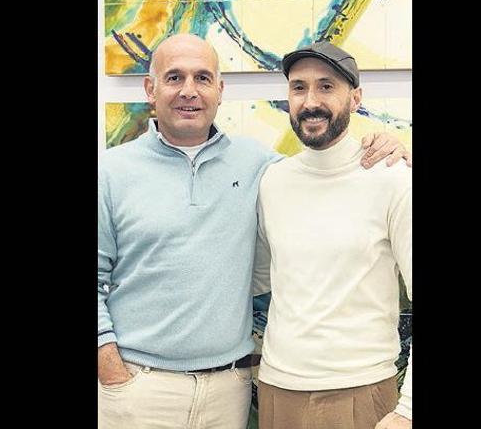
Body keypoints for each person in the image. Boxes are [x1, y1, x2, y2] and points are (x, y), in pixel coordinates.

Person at [98, 33, 410, 429]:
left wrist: (393, 149)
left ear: (220, 90)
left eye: (203, 78)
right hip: (149, 387)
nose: (189, 90)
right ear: (150, 88)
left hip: (239, 391)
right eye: (174, 77)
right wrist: (110, 369)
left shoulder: (263, 167)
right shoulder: (112, 171)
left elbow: (331, 171)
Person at [252, 41, 412, 429]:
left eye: (326, 86)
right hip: (277, 389)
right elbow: (260, 277)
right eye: (299, 87)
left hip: (360, 391)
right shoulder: (272, 181)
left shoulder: (392, 178)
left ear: (355, 98)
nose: (311, 101)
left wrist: (408, 409)